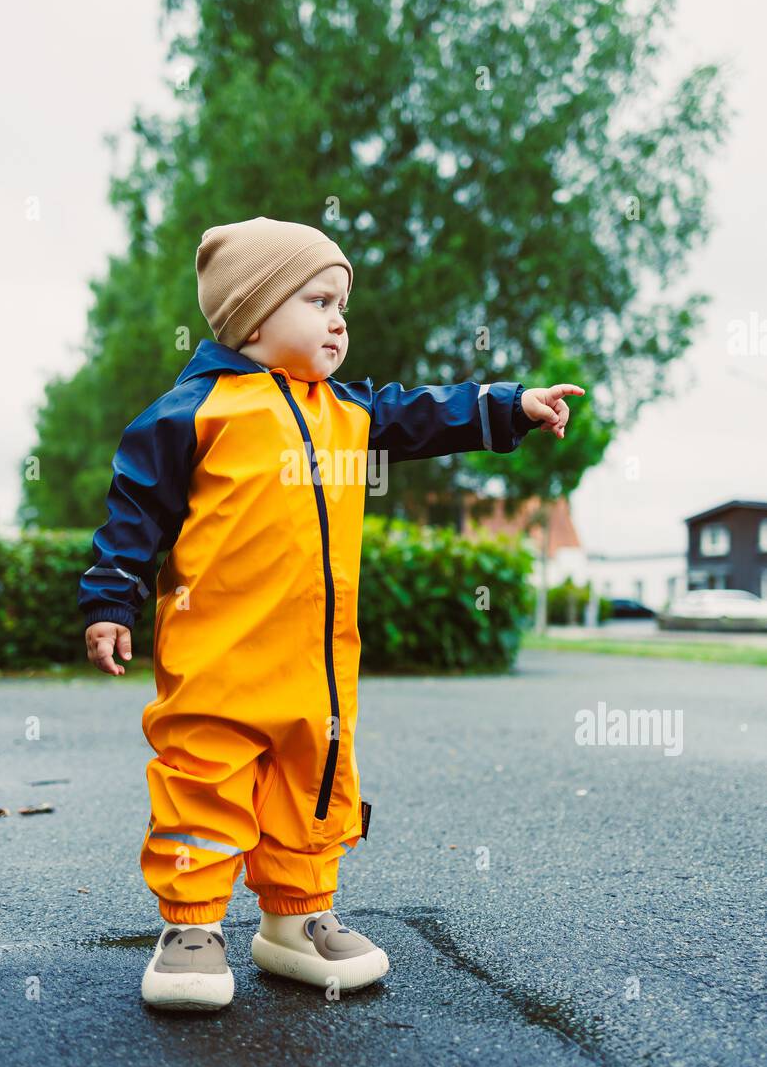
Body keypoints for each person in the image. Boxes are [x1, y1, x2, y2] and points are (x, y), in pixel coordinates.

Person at [78, 216, 584, 1010]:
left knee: (312, 789)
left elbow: (426, 415)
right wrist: (111, 601)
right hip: (217, 664)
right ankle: (190, 928)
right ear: (253, 315)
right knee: (203, 782)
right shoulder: (192, 413)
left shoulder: (349, 413)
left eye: (341, 303)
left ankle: (297, 918)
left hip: (316, 675)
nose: (339, 320)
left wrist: (510, 406)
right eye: (318, 300)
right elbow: (135, 515)